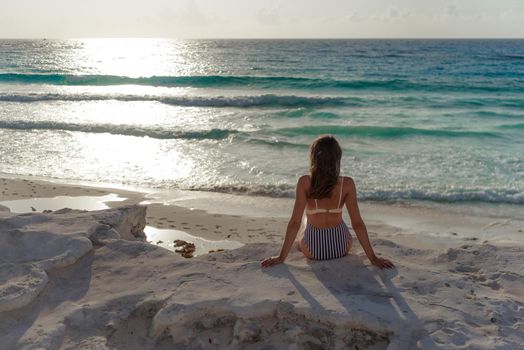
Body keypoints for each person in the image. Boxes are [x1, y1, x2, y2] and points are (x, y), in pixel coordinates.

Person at [261, 135, 394, 269]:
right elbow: (357, 223)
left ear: (314, 158)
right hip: (341, 247)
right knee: (338, 219)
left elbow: (294, 222)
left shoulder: (304, 182)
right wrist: (373, 258)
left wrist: (281, 257)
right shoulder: (347, 184)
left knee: (304, 220)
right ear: (337, 158)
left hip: (313, 250)